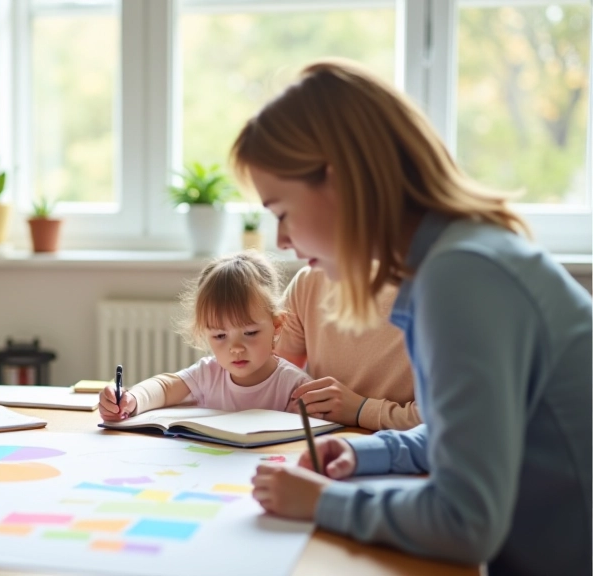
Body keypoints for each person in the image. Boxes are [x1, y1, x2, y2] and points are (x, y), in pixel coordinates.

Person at [240, 59, 591, 574]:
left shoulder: (461, 277)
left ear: (337, 182)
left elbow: (466, 521)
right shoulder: (456, 259)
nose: (282, 242)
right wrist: (370, 453)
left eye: (281, 213)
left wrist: (320, 503)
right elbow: (470, 432)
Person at [100, 251, 311, 421]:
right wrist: (132, 399)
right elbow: (165, 387)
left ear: (277, 325)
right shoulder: (209, 373)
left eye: (250, 333)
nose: (236, 348)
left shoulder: (294, 385)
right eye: (220, 336)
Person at [277, 266, 420, 430]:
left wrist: (362, 410)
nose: (282, 242)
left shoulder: (432, 286)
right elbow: (271, 381)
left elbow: (444, 423)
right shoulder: (309, 280)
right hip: (316, 444)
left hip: (400, 449)